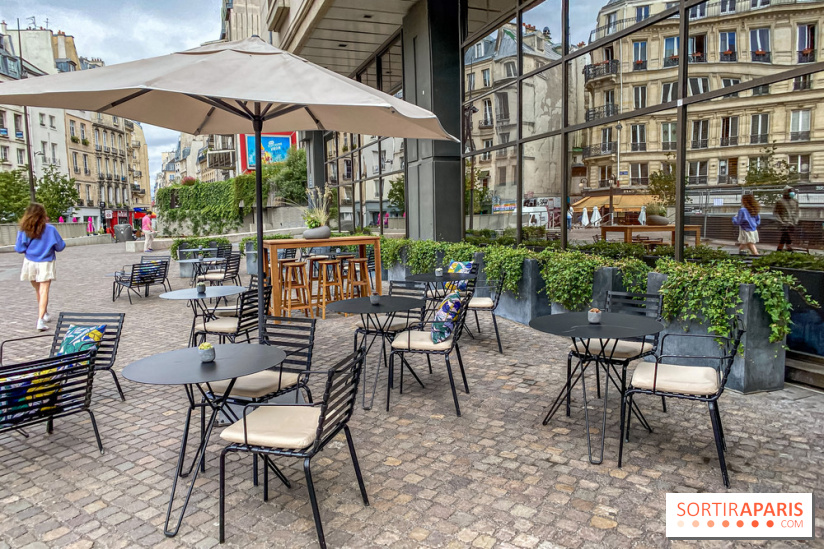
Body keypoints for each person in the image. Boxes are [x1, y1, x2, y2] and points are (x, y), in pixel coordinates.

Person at [15, 203, 66, 331]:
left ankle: (44, 314)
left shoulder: (24, 230)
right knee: (44, 291)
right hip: (46, 262)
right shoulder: (50, 229)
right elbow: (60, 246)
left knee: (38, 290)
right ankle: (40, 320)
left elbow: (19, 248)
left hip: (30, 262)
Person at [773, 186, 800, 251]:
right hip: (784, 223)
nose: (792, 193)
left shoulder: (795, 201)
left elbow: (797, 211)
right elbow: (776, 213)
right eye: (790, 191)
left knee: (784, 237)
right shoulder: (779, 201)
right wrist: (780, 222)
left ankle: (780, 249)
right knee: (786, 234)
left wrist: (796, 221)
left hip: (792, 223)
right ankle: (789, 248)